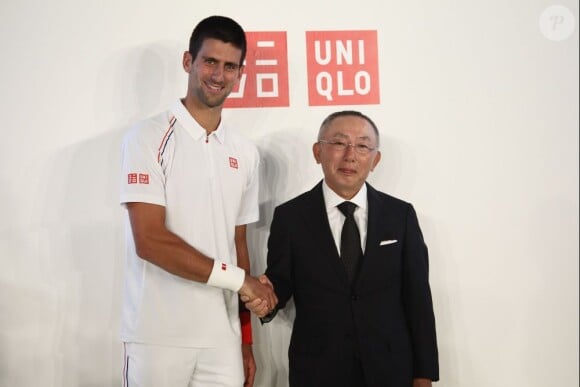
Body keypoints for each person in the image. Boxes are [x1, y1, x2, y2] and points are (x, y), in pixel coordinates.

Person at [119, 15, 277, 387]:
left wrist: (245, 341)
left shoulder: (245, 152)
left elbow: (238, 243)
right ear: (189, 62)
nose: (218, 75)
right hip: (156, 336)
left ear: (241, 74)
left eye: (229, 66)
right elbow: (150, 241)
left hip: (222, 341)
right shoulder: (147, 138)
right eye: (210, 62)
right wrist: (244, 282)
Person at [247, 110, 439, 386]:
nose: (350, 155)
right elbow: (280, 283)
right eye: (338, 143)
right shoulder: (291, 217)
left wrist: (423, 375)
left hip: (390, 370)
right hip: (318, 370)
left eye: (362, 146)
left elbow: (418, 299)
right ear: (317, 152)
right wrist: (265, 299)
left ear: (375, 159)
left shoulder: (400, 216)